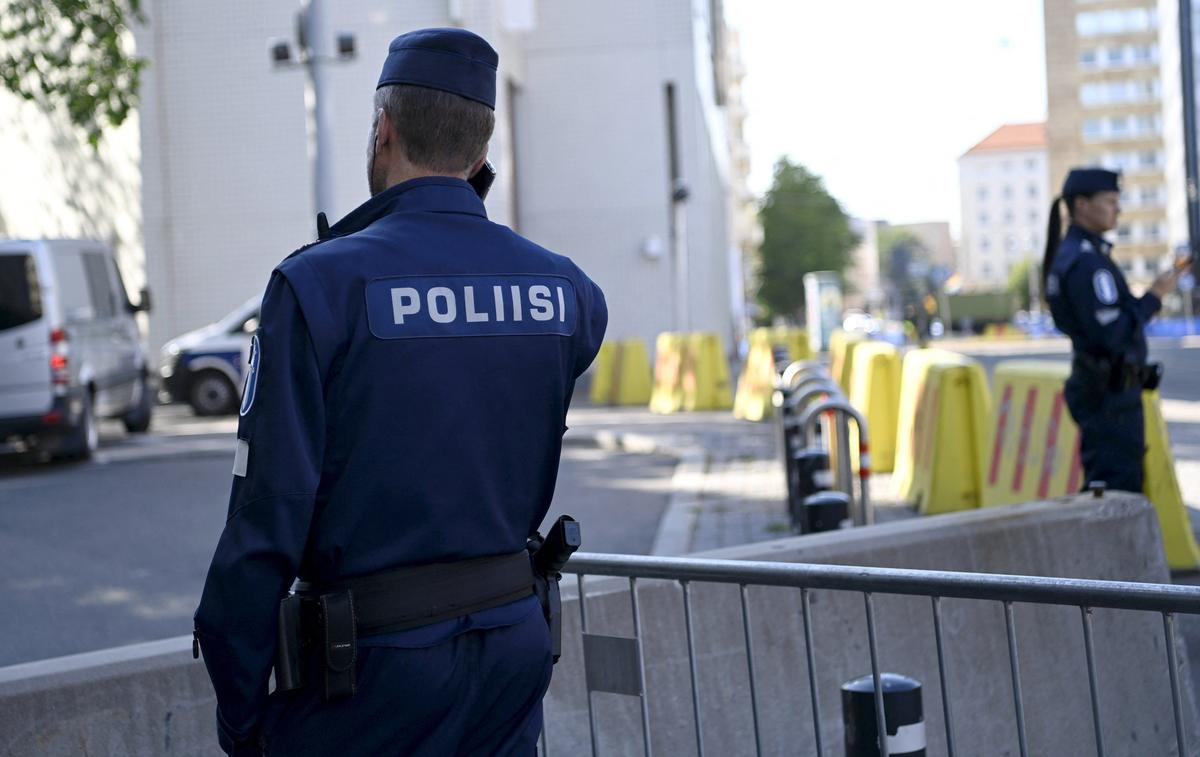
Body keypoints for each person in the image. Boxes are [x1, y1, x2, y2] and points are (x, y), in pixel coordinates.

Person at [193, 28, 607, 756]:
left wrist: (239, 714)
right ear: (482, 155)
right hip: (513, 653)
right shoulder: (568, 291)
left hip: (368, 674)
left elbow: (264, 526)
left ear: (383, 130)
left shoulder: (317, 287)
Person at [1043, 167, 1177, 494]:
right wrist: (1155, 296)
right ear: (1083, 205)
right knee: (1115, 495)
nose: (1118, 209)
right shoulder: (1088, 262)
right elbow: (1113, 333)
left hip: (1100, 390)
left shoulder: (1076, 254)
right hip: (1110, 397)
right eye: (1111, 201)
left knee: (1111, 486)